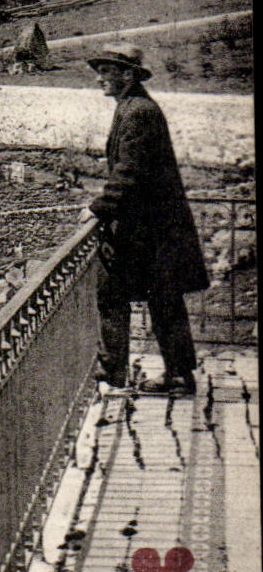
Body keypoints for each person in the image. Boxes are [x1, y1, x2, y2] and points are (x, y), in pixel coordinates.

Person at [86, 44, 208, 394]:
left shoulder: (138, 111)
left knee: (116, 293)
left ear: (127, 75)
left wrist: (97, 208)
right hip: (155, 227)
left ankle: (116, 376)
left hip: (154, 230)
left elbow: (129, 171)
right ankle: (176, 374)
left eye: (106, 72)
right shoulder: (135, 106)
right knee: (164, 300)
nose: (99, 79)